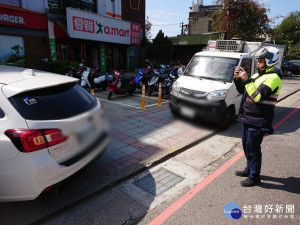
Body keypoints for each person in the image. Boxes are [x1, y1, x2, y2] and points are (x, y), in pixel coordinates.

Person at [233, 46, 282, 187]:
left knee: (253, 148)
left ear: (271, 60)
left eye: (261, 60)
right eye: (259, 60)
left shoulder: (273, 78)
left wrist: (246, 80)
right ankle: (249, 169)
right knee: (247, 146)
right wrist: (238, 79)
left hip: (259, 119)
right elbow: (243, 90)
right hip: (248, 116)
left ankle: (254, 177)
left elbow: (257, 97)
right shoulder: (257, 75)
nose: (259, 63)